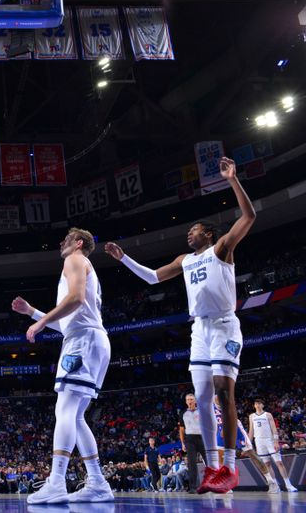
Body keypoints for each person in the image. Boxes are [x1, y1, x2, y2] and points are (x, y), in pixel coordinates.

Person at [105, 157, 255, 494]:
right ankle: (213, 468)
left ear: (210, 233)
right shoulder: (184, 261)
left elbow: (249, 217)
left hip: (224, 325)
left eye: (195, 229)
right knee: (201, 398)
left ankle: (230, 467)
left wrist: (232, 179)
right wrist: (123, 258)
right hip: (199, 329)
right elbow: (153, 277)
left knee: (222, 390)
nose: (189, 232)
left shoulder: (221, 248)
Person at [11, 228, 113, 504]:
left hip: (84, 342)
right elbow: (68, 322)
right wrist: (33, 312)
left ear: (78, 244)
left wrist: (40, 322)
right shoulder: (78, 266)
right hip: (87, 340)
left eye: (67, 239)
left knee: (64, 410)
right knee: (76, 416)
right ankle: (98, 483)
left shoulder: (75, 260)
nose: (61, 243)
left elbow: (76, 299)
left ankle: (56, 482)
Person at [248, 399, 298, 492]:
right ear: (254, 406)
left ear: (263, 405)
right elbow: (251, 431)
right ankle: (275, 486)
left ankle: (288, 485)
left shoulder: (268, 415)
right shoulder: (251, 416)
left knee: (279, 463)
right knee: (267, 464)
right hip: (259, 442)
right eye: (256, 404)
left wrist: (275, 441)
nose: (257, 405)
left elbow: (274, 429)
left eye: (259, 403)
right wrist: (248, 444)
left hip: (269, 440)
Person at [178, 393, 206, 493]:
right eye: (188, 400)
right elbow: (181, 429)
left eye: (191, 399)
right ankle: (193, 487)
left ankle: (214, 482)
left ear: (195, 401)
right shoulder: (182, 413)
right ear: (186, 402)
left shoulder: (201, 411)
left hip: (202, 438)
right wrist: (182, 443)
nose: (189, 401)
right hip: (189, 440)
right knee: (191, 463)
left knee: (209, 461)